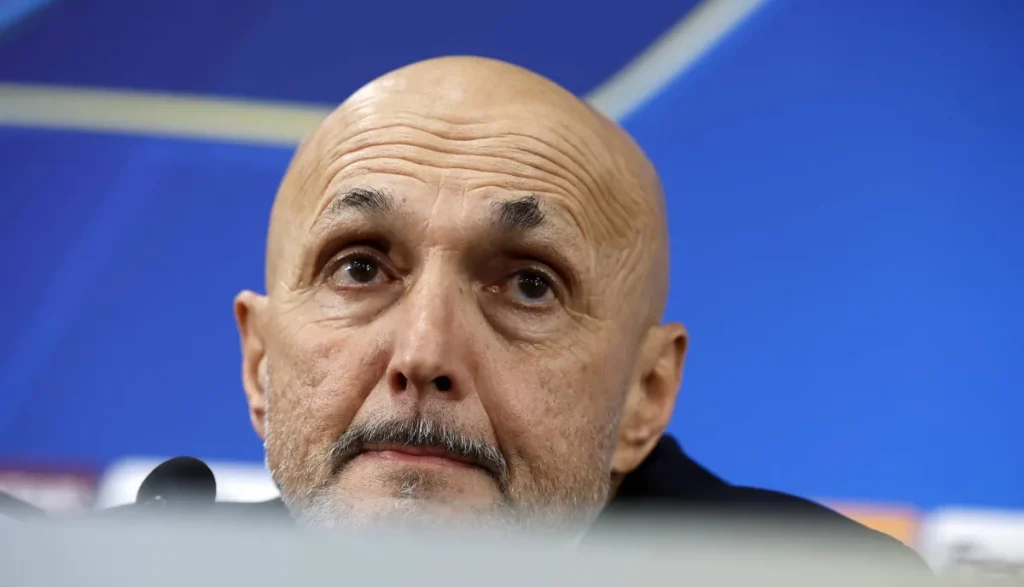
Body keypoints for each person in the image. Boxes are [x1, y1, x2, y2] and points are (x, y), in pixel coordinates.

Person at [223, 55, 919, 561]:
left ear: (646, 394)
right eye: (359, 269)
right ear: (260, 365)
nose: (423, 354)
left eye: (530, 285)